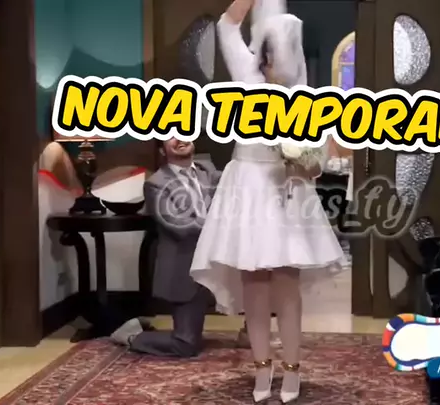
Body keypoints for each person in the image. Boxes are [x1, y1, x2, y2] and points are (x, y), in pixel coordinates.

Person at [190, 0, 347, 402]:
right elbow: (227, 24)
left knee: (286, 285)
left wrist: (303, 161)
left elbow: (317, 165)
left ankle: (292, 369)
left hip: (287, 194)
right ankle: (262, 368)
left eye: (288, 54)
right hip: (247, 187)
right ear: (262, 55)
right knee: (254, 285)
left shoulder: (304, 98)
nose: (281, 63)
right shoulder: (245, 76)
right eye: (274, 54)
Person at [110, 139, 220, 357]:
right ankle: (131, 336)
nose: (180, 138)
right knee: (186, 344)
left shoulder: (208, 170)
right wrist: (222, 224)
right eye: (171, 135)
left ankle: (250, 332)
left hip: (218, 264)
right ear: (161, 149)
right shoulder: (156, 184)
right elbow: (181, 227)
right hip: (186, 271)